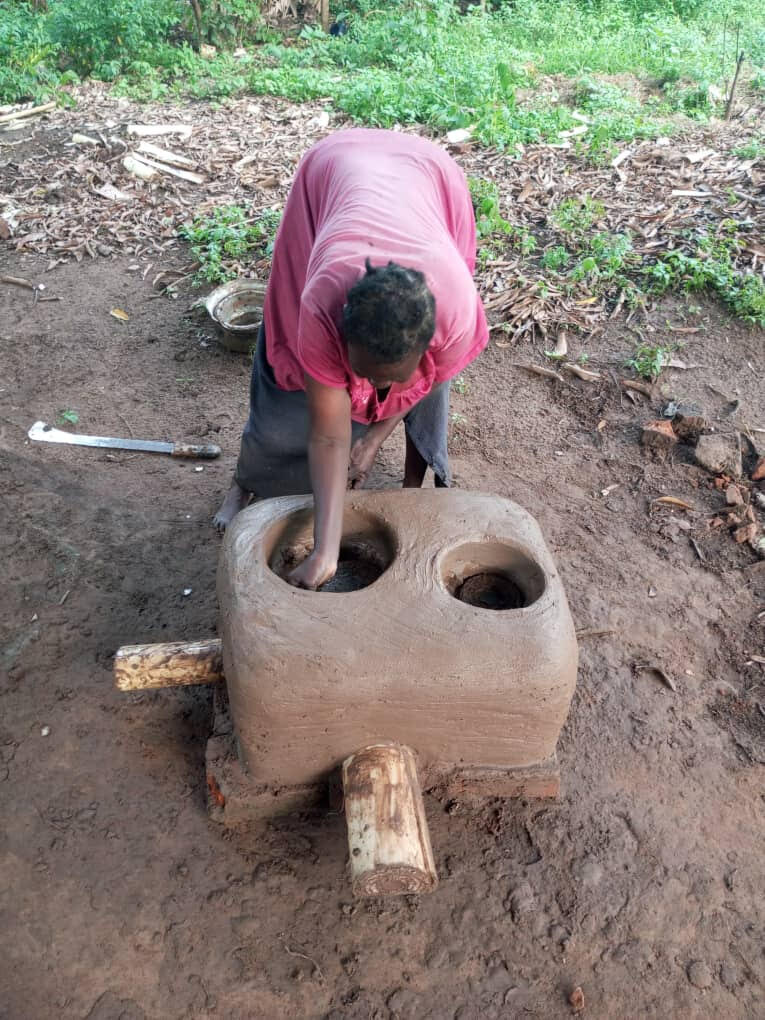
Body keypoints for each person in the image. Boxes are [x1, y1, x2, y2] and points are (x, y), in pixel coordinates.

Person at [213, 128, 488, 590]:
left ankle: (411, 498)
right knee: (286, 389)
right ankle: (246, 480)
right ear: (342, 334)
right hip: (334, 169)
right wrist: (325, 551)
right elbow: (328, 436)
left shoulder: (457, 314)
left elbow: (429, 383)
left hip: (427, 174)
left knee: (427, 396)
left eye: (394, 380)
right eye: (359, 374)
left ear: (427, 343)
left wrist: (373, 440)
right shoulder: (321, 302)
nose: (374, 390)